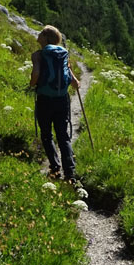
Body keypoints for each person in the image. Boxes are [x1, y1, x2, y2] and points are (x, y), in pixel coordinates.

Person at [30, 25, 80, 181]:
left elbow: (36, 74)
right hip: (62, 100)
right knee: (63, 136)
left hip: (45, 99)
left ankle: (55, 168)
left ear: (46, 38)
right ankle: (70, 171)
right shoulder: (63, 54)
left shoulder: (39, 55)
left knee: (46, 134)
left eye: (41, 33)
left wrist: (32, 84)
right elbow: (75, 83)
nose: (38, 35)